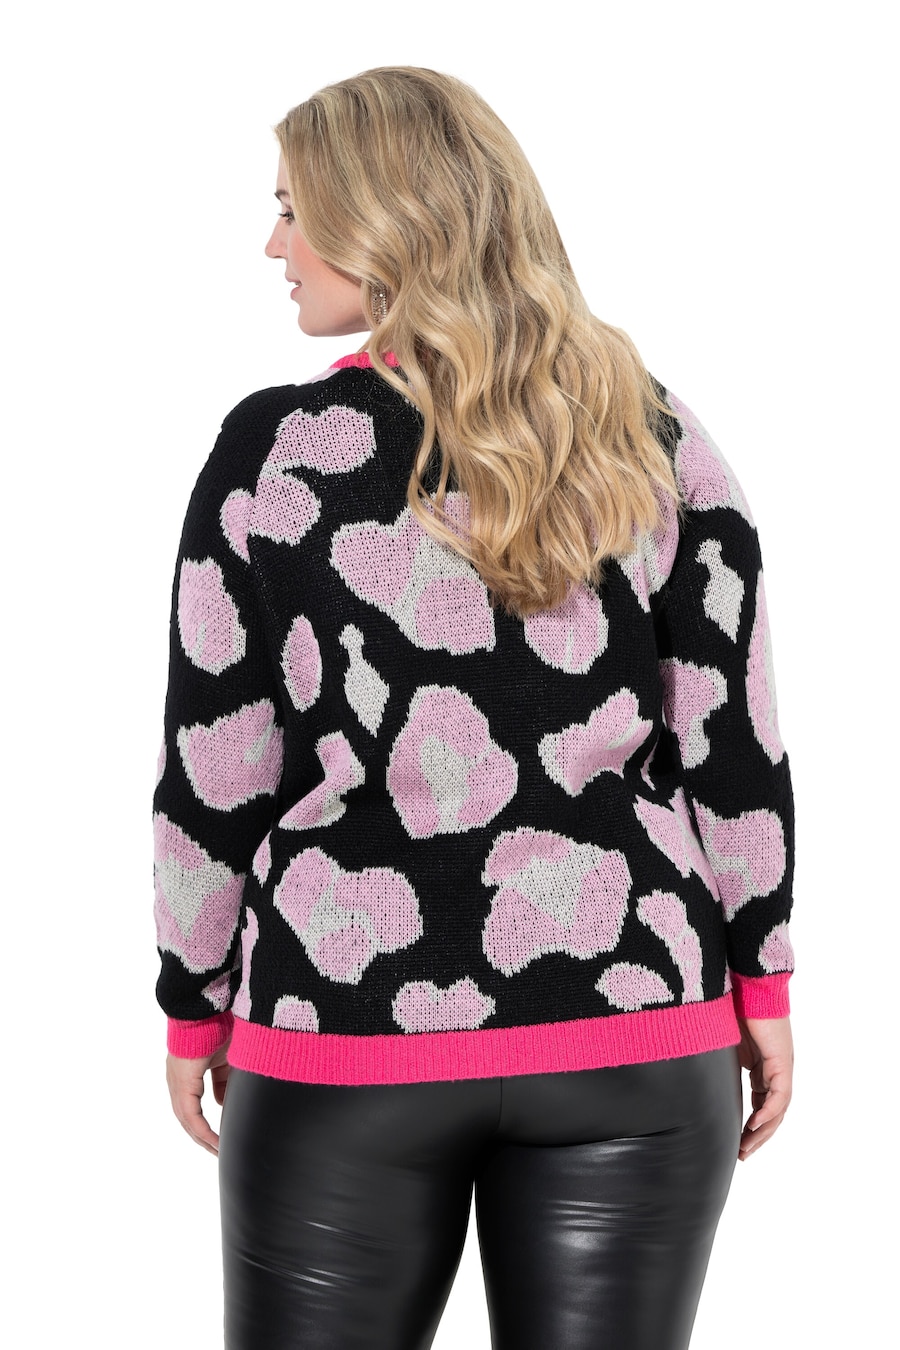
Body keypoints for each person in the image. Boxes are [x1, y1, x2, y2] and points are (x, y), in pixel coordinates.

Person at [154, 66, 795, 1350]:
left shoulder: (277, 453)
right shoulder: (652, 432)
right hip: (635, 1030)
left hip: (342, 1031)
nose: (275, 246)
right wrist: (763, 983)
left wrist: (192, 998)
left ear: (383, 222)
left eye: (294, 210)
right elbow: (733, 743)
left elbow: (216, 763)